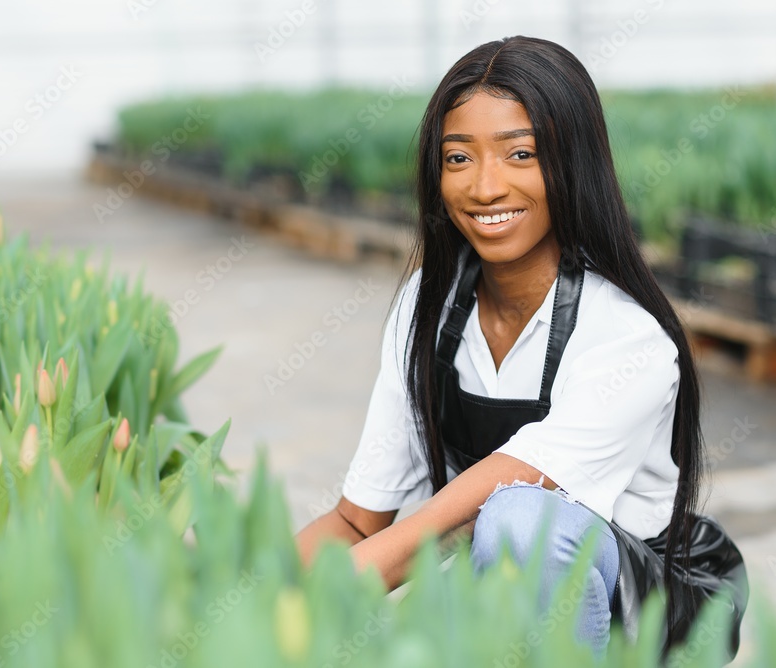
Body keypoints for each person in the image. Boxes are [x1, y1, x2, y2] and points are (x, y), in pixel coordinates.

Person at [295, 35, 747, 657]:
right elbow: (355, 522)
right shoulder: (428, 307)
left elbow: (499, 498)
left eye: (520, 154)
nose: (485, 187)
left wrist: (341, 586)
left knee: (520, 519)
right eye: (458, 158)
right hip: (496, 588)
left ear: (572, 164)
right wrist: (235, 591)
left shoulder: (627, 337)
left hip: (639, 616)